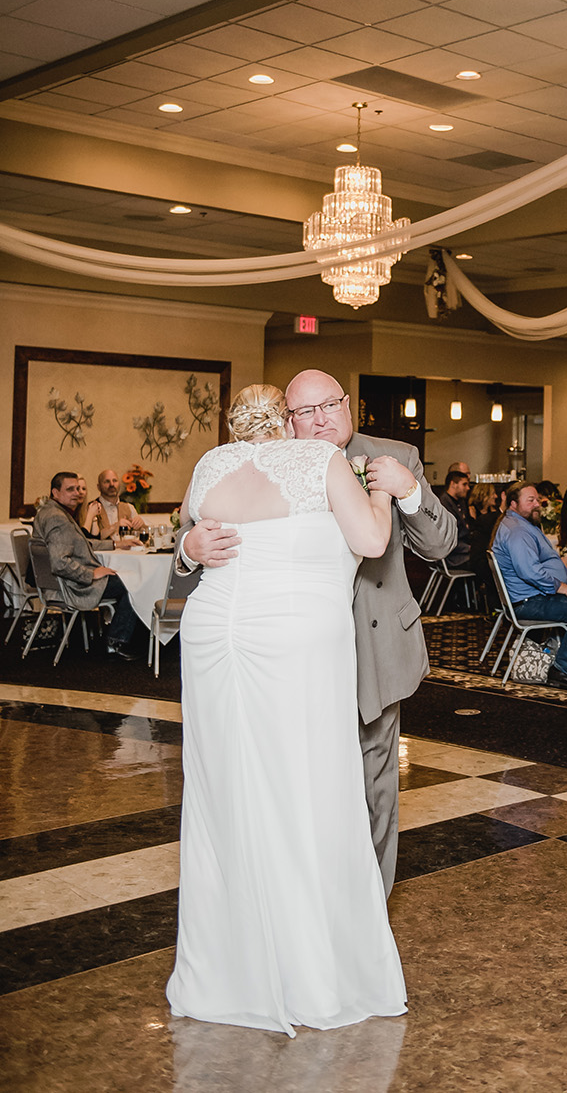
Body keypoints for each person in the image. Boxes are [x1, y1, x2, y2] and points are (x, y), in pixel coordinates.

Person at [166, 385, 406, 1035]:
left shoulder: (210, 465)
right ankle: (314, 973)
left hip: (215, 632)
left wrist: (190, 549)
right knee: (306, 790)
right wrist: (382, 490)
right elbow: (372, 540)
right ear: (286, 421)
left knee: (226, 795)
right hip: (292, 639)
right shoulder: (317, 461)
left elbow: (194, 533)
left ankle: (227, 969)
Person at [181, 369, 456, 897]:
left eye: (329, 405)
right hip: (286, 651)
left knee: (374, 781)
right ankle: (305, 898)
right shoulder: (262, 461)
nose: (320, 418)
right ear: (286, 420)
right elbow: (202, 524)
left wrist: (411, 492)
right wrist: (190, 551)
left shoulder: (393, 455)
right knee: (299, 781)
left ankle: (369, 906)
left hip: (372, 647)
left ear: (348, 404)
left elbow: (442, 546)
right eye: (305, 412)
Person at [492, 482, 567, 692]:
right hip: (529, 602)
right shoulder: (517, 531)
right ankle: (564, 669)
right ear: (513, 504)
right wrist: (564, 587)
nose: (537, 504)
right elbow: (528, 572)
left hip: (531, 596)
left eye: (537, 499)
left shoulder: (518, 524)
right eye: (530, 501)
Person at [32, 471, 145, 659]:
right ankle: (117, 641)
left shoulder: (52, 512)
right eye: (70, 489)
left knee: (126, 579)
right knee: (133, 584)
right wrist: (91, 574)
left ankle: (122, 635)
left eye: (77, 488)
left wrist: (116, 544)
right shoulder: (57, 518)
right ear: (55, 492)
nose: (76, 493)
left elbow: (81, 543)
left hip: (59, 582)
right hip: (72, 586)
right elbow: (60, 563)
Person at [87, 468, 144, 541]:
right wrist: (115, 526)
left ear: (119, 484)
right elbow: (90, 539)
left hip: (126, 551)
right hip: (102, 552)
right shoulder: (92, 508)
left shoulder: (129, 507)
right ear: (99, 487)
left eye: (114, 481)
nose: (111, 484)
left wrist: (141, 525)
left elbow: (143, 533)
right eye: (107, 481)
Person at [440, 469, 472, 567]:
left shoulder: (461, 502)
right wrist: (470, 548)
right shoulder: (444, 504)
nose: (468, 488)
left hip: (461, 548)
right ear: (453, 484)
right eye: (464, 484)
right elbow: (445, 538)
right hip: (452, 555)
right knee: (483, 561)